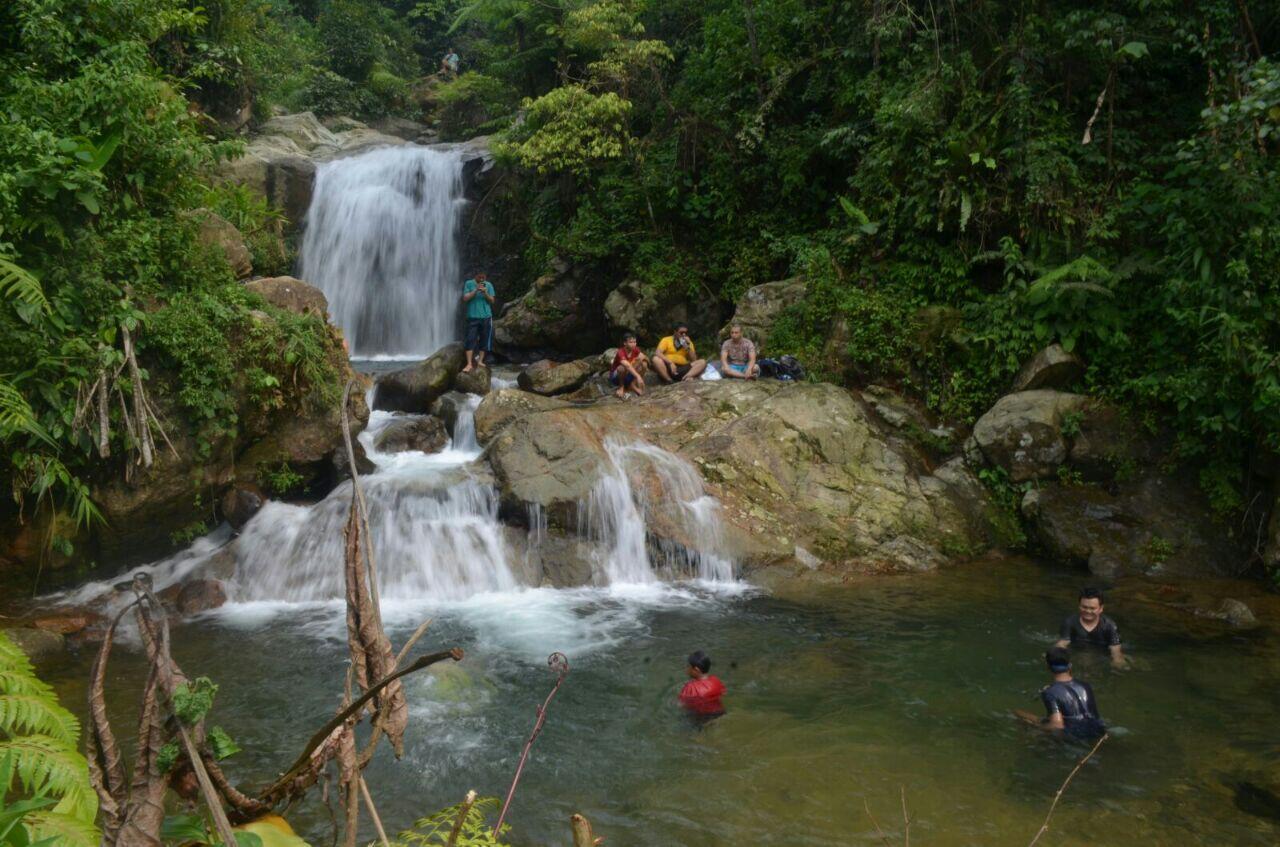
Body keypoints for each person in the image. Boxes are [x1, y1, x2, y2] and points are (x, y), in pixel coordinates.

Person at [1034, 646, 1106, 740]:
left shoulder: (1050, 692)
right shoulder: (1085, 685)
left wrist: (1037, 729)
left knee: (1023, 717)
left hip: (1076, 736)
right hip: (1099, 732)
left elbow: (1057, 725)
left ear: (1048, 667)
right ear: (1070, 665)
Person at [1055, 586, 1127, 668]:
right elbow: (1063, 643)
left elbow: (1115, 650)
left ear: (1101, 608)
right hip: (1077, 652)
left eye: (1092, 608)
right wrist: (1054, 654)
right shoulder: (1070, 622)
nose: (1088, 611)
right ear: (1079, 606)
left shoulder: (1110, 626)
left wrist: (1117, 661)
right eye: (1084, 607)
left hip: (1101, 655)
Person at [461, 272, 494, 373]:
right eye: (479, 277)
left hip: (486, 316)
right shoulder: (469, 283)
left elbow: (492, 301)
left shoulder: (489, 285)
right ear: (475, 276)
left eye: (483, 277)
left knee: (484, 339)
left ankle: (480, 361)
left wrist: (485, 293)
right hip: (472, 316)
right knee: (470, 339)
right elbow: (465, 298)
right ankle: (469, 363)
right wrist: (475, 290)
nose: (481, 279)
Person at [678, 650, 726, 717]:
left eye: (688, 666)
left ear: (696, 670)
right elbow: (723, 693)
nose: (687, 669)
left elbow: (681, 705)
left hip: (702, 718)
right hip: (720, 713)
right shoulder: (716, 680)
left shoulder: (690, 687)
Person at [610, 333, 647, 399]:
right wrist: (638, 376)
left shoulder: (635, 349)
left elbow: (644, 357)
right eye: (630, 342)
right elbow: (627, 366)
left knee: (644, 363)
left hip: (628, 373)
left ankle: (632, 384)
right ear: (625, 343)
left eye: (635, 342)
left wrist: (640, 359)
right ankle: (622, 387)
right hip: (616, 377)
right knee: (621, 368)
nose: (633, 344)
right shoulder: (620, 352)